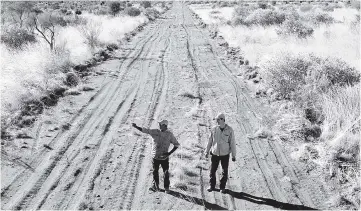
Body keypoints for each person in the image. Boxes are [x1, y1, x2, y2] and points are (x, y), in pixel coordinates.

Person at [132, 120, 179, 194]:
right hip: (155, 157)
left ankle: (166, 188)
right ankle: (156, 186)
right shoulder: (155, 131)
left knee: (166, 173)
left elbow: (176, 145)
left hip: (164, 158)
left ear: (164, 125)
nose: (159, 125)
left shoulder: (170, 135)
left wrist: (169, 153)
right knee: (155, 172)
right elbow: (145, 130)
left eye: (160, 124)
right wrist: (136, 127)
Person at [204, 113, 236, 193]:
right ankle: (212, 186)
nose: (217, 121)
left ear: (222, 119)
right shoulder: (214, 129)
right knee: (212, 170)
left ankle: (222, 187)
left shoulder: (229, 130)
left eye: (218, 120)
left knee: (224, 171)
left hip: (225, 154)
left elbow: (232, 143)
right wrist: (206, 151)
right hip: (215, 154)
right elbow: (210, 141)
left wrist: (233, 155)